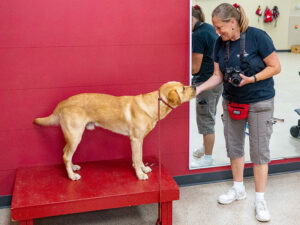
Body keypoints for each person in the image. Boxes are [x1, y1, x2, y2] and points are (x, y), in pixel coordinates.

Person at [195, 3, 281, 222]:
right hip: (232, 100)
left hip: (260, 101)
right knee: (234, 147)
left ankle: (260, 199)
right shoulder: (218, 43)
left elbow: (275, 67)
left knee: (259, 150)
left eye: (219, 27)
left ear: (232, 23)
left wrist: (251, 79)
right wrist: (199, 88)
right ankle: (238, 188)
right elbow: (217, 75)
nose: (217, 32)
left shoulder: (257, 36)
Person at [190, 5, 223, 168]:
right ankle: (205, 147)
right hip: (217, 81)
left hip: (206, 82)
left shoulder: (197, 35)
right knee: (210, 115)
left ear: (191, 19)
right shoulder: (208, 28)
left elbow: (194, 68)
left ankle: (208, 158)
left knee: (205, 120)